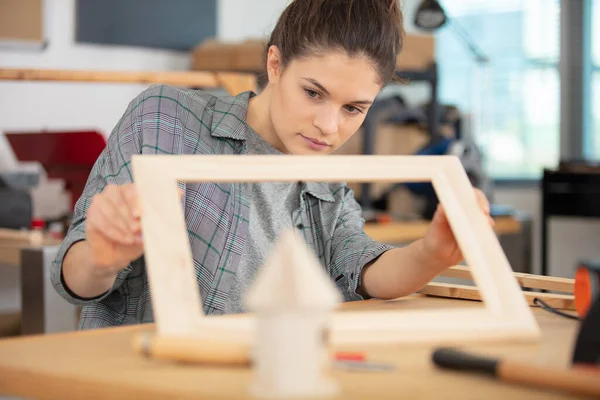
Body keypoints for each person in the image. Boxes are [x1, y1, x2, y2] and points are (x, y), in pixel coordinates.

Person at [51, 0, 493, 329]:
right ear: (275, 64)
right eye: (313, 93)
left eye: (353, 108)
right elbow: (72, 279)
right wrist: (102, 259)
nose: (328, 126)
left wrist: (430, 253)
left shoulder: (328, 188)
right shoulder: (166, 118)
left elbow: (366, 268)